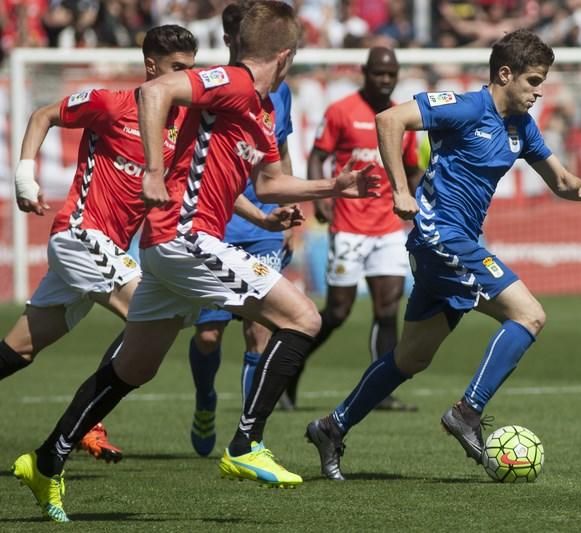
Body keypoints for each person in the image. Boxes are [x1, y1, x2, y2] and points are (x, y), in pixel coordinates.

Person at [12, 1, 379, 522]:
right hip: (186, 238)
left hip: (168, 250)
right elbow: (156, 90)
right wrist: (154, 171)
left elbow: (270, 184)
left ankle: (48, 458)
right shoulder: (230, 82)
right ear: (287, 54)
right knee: (303, 318)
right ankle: (246, 443)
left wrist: (333, 186)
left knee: (133, 367)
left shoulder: (264, 106)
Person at [306, 30, 581, 481]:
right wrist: (399, 189)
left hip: (457, 242)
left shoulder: (522, 126)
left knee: (410, 358)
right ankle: (468, 412)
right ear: (504, 74)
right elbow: (390, 120)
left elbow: (561, 181)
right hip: (440, 238)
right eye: (532, 80)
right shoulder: (468, 106)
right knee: (529, 315)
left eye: (542, 82)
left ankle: (332, 427)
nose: (538, 91)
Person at [1, 24, 198, 463]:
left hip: (105, 251)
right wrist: (24, 177)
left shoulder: (184, 124)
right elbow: (42, 116)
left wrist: (260, 214)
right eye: (177, 68)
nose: (185, 78)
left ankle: (86, 419)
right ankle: (88, 422)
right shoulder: (111, 104)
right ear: (152, 66)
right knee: (153, 316)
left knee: (20, 349)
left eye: (191, 69)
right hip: (79, 236)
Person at [284, 46, 422, 412]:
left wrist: (418, 192)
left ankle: (381, 392)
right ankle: (287, 373)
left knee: (388, 307)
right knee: (338, 312)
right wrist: (322, 198)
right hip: (348, 224)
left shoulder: (402, 117)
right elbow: (318, 155)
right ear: (365, 72)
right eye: (379, 73)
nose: (385, 80)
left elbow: (412, 167)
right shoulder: (341, 111)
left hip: (389, 226)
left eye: (391, 74)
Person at [187, 0, 297, 457]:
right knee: (209, 335)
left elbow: (280, 151)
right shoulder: (216, 88)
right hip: (217, 223)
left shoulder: (280, 93)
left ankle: (251, 434)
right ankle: (205, 399)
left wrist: (289, 208)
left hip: (264, 226)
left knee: (261, 330)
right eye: (230, 36)